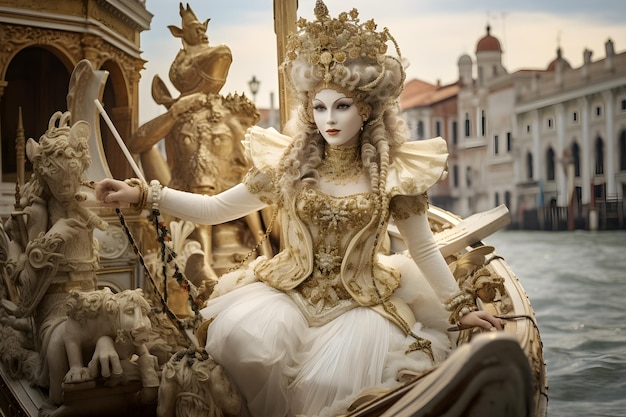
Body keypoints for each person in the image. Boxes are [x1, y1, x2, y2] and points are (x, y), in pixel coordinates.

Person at [96, 2, 503, 416]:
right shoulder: (289, 165)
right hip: (287, 295)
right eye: (320, 106)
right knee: (250, 347)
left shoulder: (394, 174)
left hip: (361, 305)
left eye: (341, 106)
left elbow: (424, 248)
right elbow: (215, 208)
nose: (329, 118)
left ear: (364, 109)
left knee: (333, 382)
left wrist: (461, 309)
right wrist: (143, 195)